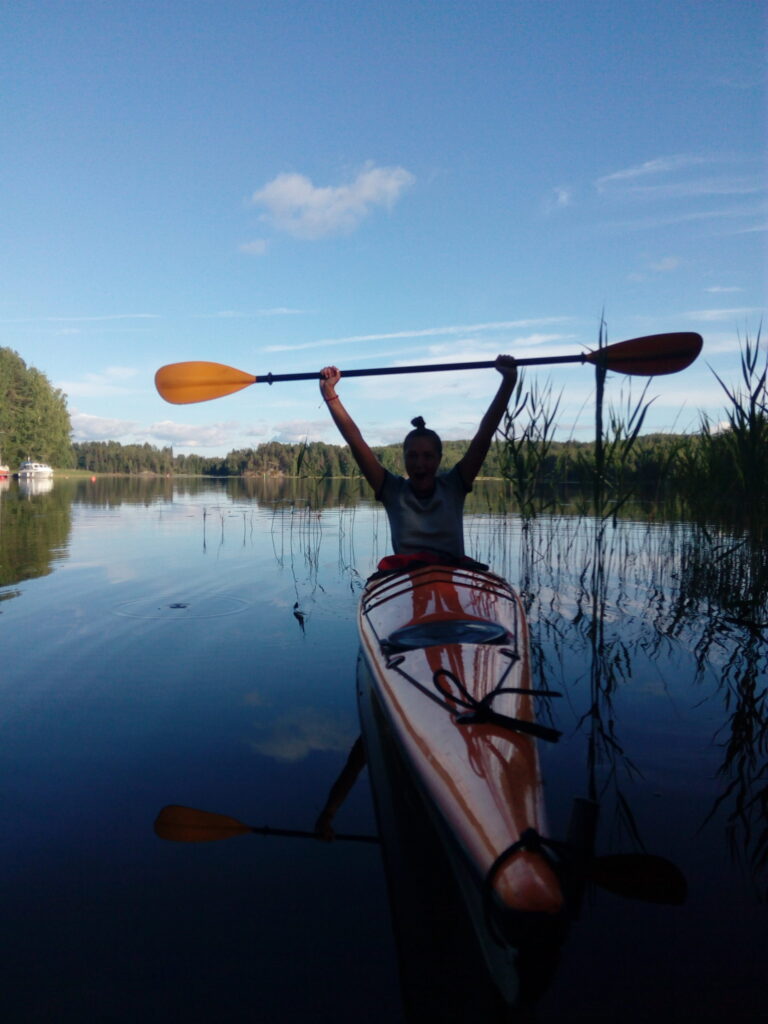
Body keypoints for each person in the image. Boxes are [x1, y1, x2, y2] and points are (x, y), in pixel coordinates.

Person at [319, 355, 517, 563]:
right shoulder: (391, 490)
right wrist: (329, 393)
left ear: (439, 459)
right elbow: (356, 441)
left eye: (427, 456)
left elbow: (484, 435)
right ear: (404, 458)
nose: (419, 463)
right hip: (406, 580)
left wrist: (508, 382)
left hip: (450, 579)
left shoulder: (454, 485)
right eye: (412, 456)